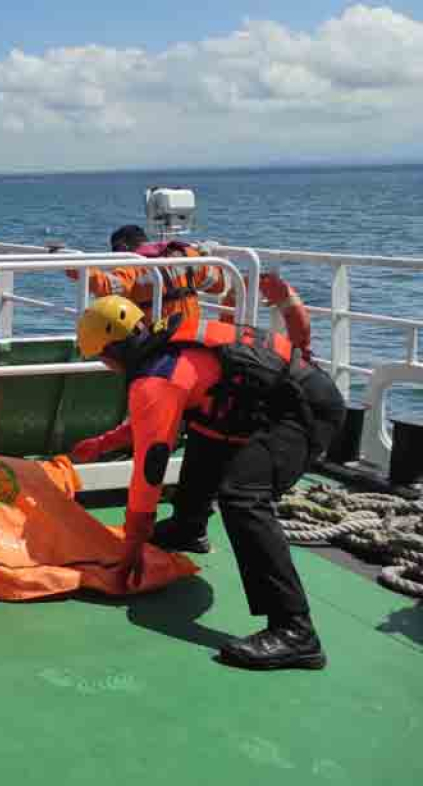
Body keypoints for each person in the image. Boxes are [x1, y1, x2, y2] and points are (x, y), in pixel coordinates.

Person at [72, 295, 345, 670]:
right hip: (268, 404)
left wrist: (132, 546)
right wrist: (103, 444)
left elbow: (150, 468)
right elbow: (154, 420)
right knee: (203, 424)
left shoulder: (156, 377)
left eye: (102, 358)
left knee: (243, 497)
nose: (106, 366)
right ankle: (189, 528)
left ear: (115, 350)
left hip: (304, 412)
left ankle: (295, 630)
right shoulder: (166, 354)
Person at [66, 225, 227, 326]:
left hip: (158, 340)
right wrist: (205, 254)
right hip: (192, 333)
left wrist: (74, 266)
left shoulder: (133, 266)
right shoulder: (187, 255)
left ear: (122, 247)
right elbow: (218, 285)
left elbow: (109, 285)